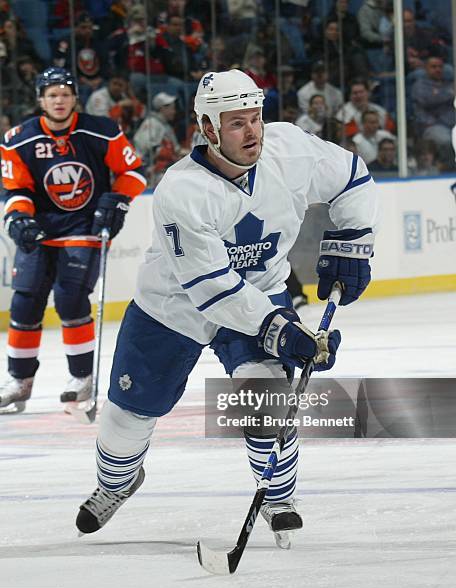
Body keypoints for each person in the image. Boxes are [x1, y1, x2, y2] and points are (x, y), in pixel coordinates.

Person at [75, 69, 379, 543]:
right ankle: (116, 482)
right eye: (236, 122)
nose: (252, 131)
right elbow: (212, 287)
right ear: (208, 128)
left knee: (267, 397)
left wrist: (351, 241)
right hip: (174, 305)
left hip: (259, 293)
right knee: (127, 415)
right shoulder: (182, 190)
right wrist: (284, 331)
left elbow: (352, 178)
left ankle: (277, 497)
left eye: (255, 118)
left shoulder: (291, 149)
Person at [0, 67, 146, 415]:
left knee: (70, 299)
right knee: (24, 304)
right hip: (41, 230)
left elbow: (133, 171)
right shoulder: (18, 138)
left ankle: (81, 378)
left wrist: (118, 200)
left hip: (85, 226)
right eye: (52, 95)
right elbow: (16, 188)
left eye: (65, 94)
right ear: (41, 100)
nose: (59, 100)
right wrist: (18, 216)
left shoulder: (101, 130)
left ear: (74, 97)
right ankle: (19, 381)